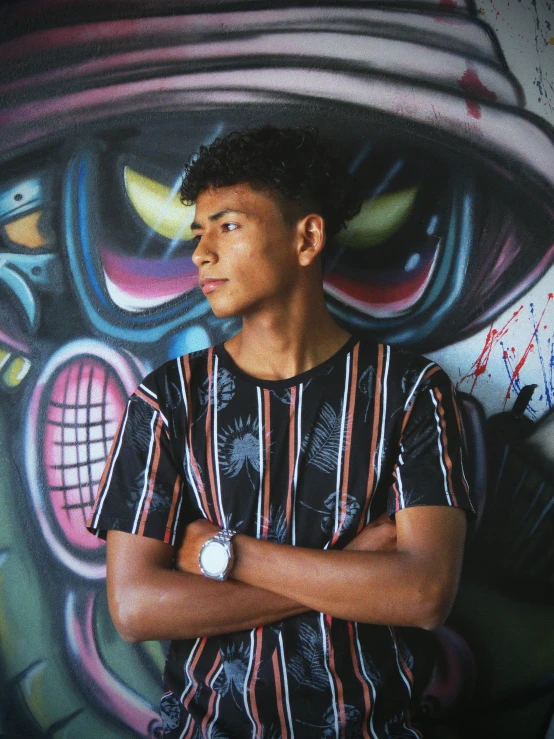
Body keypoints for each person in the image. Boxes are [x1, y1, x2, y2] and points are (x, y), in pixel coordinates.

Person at [87, 125, 474, 738]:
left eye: (228, 225)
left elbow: (424, 593)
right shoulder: (167, 400)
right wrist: (349, 573)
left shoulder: (410, 392)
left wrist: (227, 555)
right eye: (198, 232)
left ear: (307, 237)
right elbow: (134, 608)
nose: (201, 252)